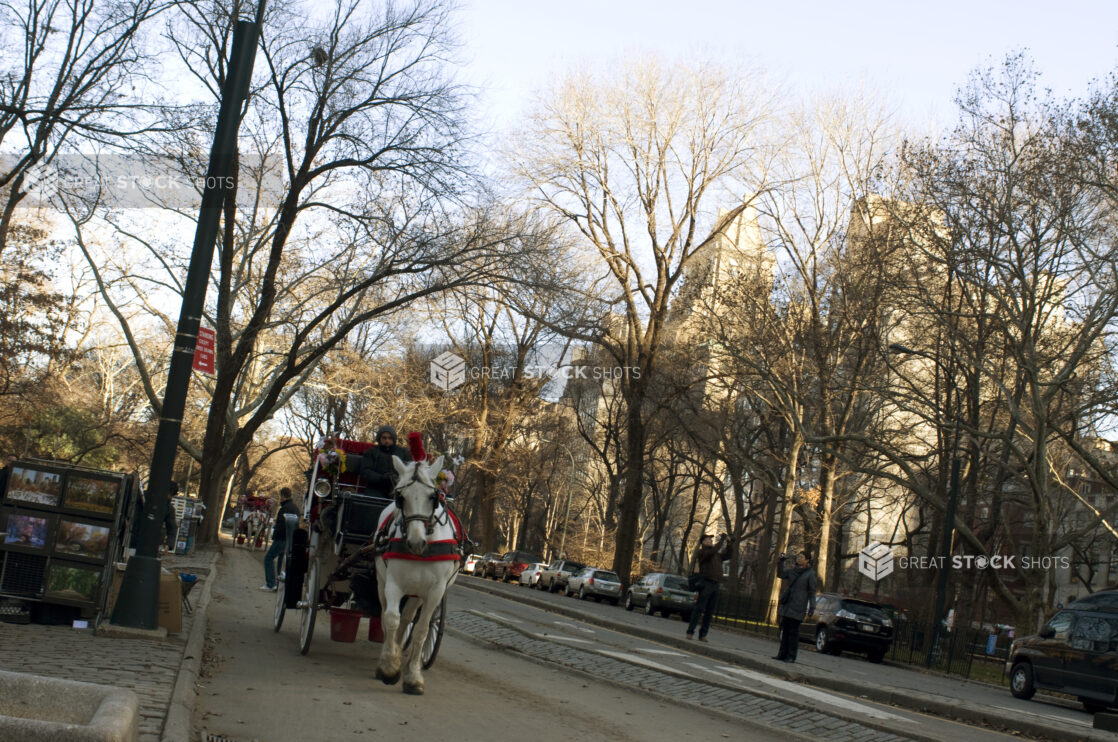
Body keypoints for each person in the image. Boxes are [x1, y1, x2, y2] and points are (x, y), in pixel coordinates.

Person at [773, 551, 820, 663]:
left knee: (793, 633)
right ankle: (781, 654)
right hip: (788, 604)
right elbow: (780, 574)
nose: (799, 558)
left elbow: (812, 592)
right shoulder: (792, 571)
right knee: (785, 631)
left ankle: (791, 656)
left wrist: (812, 607)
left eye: (802, 557)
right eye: (798, 556)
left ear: (807, 560)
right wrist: (780, 562)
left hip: (799, 605)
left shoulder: (810, 574)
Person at [686, 532, 734, 642]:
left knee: (709, 611)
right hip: (706, 583)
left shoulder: (716, 555)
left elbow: (728, 555)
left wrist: (730, 543)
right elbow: (712, 551)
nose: (711, 541)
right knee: (699, 608)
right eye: (708, 540)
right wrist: (721, 540)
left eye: (711, 540)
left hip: (715, 584)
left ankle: (703, 634)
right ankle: (690, 631)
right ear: (703, 542)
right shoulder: (702, 552)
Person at [358, 425, 412, 498]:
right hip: (375, 488)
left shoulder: (403, 453)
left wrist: (396, 478)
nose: (387, 440)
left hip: (398, 488)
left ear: (393, 439)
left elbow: (410, 470)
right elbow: (365, 472)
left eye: (389, 438)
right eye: (384, 438)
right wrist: (382, 478)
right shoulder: (371, 452)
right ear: (379, 439)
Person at [261, 487, 299, 591]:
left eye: (280, 496)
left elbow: (281, 526)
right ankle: (278, 585)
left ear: (283, 496)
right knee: (281, 562)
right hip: (290, 539)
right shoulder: (295, 508)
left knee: (268, 558)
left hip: (281, 538)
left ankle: (270, 583)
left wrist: (275, 536)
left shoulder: (285, 508)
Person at [161, 482, 179, 554]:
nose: (170, 497)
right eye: (170, 494)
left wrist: (169, 544)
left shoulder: (169, 508)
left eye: (172, 495)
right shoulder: (169, 508)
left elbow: (172, 528)